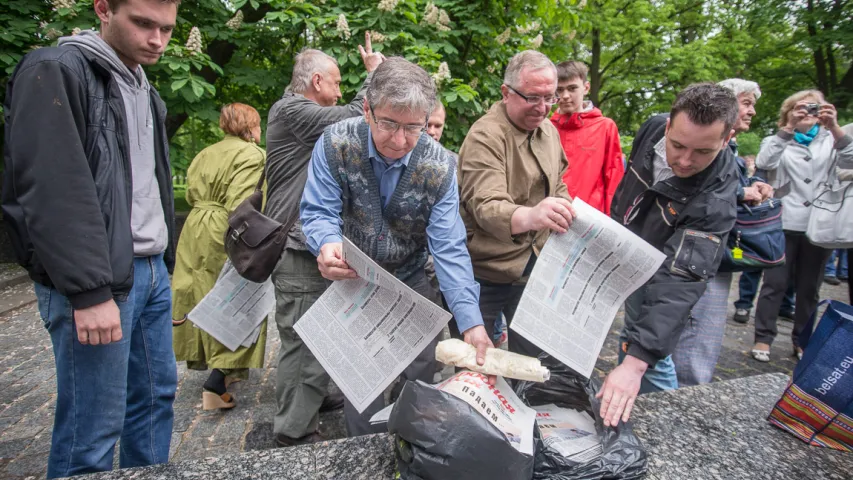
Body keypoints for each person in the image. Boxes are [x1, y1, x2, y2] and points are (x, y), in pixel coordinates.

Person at [2, 0, 179, 476]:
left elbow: (148, 189)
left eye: (166, 28)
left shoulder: (146, 89)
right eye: (142, 23)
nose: (156, 40)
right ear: (103, 8)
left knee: (156, 402)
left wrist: (166, 268)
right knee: (94, 428)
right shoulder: (56, 69)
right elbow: (53, 187)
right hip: (98, 280)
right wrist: (89, 291)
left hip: (150, 271)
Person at [299, 57, 491, 437]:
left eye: (413, 128)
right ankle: (363, 449)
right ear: (367, 109)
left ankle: (413, 440)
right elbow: (318, 211)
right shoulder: (335, 143)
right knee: (359, 379)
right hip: (352, 278)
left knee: (423, 367)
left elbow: (449, 246)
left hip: (411, 278)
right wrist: (326, 244)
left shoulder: (440, 166)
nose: (399, 141)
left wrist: (471, 321)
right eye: (388, 123)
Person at [264, 37, 384, 447]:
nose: (338, 90)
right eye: (334, 83)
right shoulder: (293, 110)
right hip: (298, 247)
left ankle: (316, 398)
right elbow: (353, 117)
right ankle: (293, 433)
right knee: (303, 339)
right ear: (316, 81)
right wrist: (374, 76)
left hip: (309, 244)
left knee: (322, 329)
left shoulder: (299, 112)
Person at [602, 83, 740, 427]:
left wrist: (635, 364)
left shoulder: (716, 198)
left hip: (664, 268)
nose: (684, 160)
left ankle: (669, 425)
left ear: (727, 139)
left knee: (649, 354)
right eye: (677, 145)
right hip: (629, 250)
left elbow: (680, 283)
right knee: (633, 332)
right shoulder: (651, 128)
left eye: (703, 152)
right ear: (666, 126)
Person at [456, 50, 576, 358]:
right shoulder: (485, 135)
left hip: (535, 268)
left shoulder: (548, 131)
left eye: (550, 98)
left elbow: (558, 181)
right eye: (533, 98)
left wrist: (564, 208)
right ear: (506, 93)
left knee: (533, 363)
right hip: (485, 272)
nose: (543, 108)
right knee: (475, 368)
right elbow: (487, 206)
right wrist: (534, 215)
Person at [670, 78, 773, 387]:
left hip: (714, 253)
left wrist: (748, 188)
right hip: (700, 255)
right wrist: (741, 194)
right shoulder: (715, 154)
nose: (752, 110)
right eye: (746, 102)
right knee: (696, 334)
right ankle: (687, 395)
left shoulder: (731, 152)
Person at [171, 103, 267, 410]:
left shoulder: (205, 153)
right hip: (223, 230)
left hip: (193, 228)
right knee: (234, 297)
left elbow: (189, 195)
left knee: (196, 294)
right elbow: (243, 204)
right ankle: (219, 376)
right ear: (251, 126)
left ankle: (218, 367)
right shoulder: (252, 154)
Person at [751, 91, 853, 362]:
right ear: (789, 111)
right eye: (801, 108)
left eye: (813, 108)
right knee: (775, 283)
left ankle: (802, 340)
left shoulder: (831, 139)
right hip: (784, 219)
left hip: (818, 223)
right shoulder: (778, 139)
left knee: (810, 287)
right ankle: (763, 337)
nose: (808, 112)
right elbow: (764, 162)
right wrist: (788, 129)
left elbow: (850, 161)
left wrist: (834, 127)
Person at [550, 60, 624, 215]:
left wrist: (612, 221)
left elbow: (614, 179)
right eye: (560, 90)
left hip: (589, 217)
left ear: (586, 87)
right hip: (552, 215)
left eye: (572, 88)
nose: (565, 96)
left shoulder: (605, 127)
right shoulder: (547, 128)